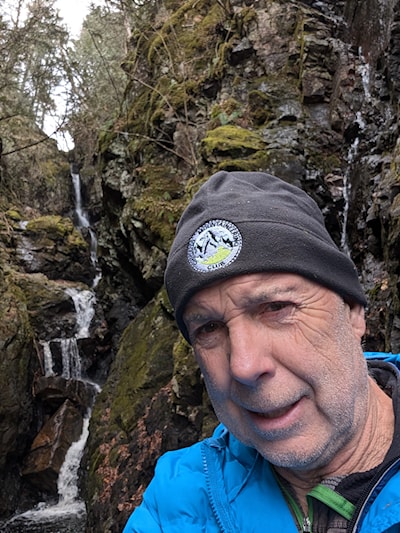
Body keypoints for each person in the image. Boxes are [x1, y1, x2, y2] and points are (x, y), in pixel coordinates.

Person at [122, 170, 400, 533]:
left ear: (352, 311)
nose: (244, 365)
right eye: (209, 328)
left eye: (276, 308)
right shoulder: (175, 505)